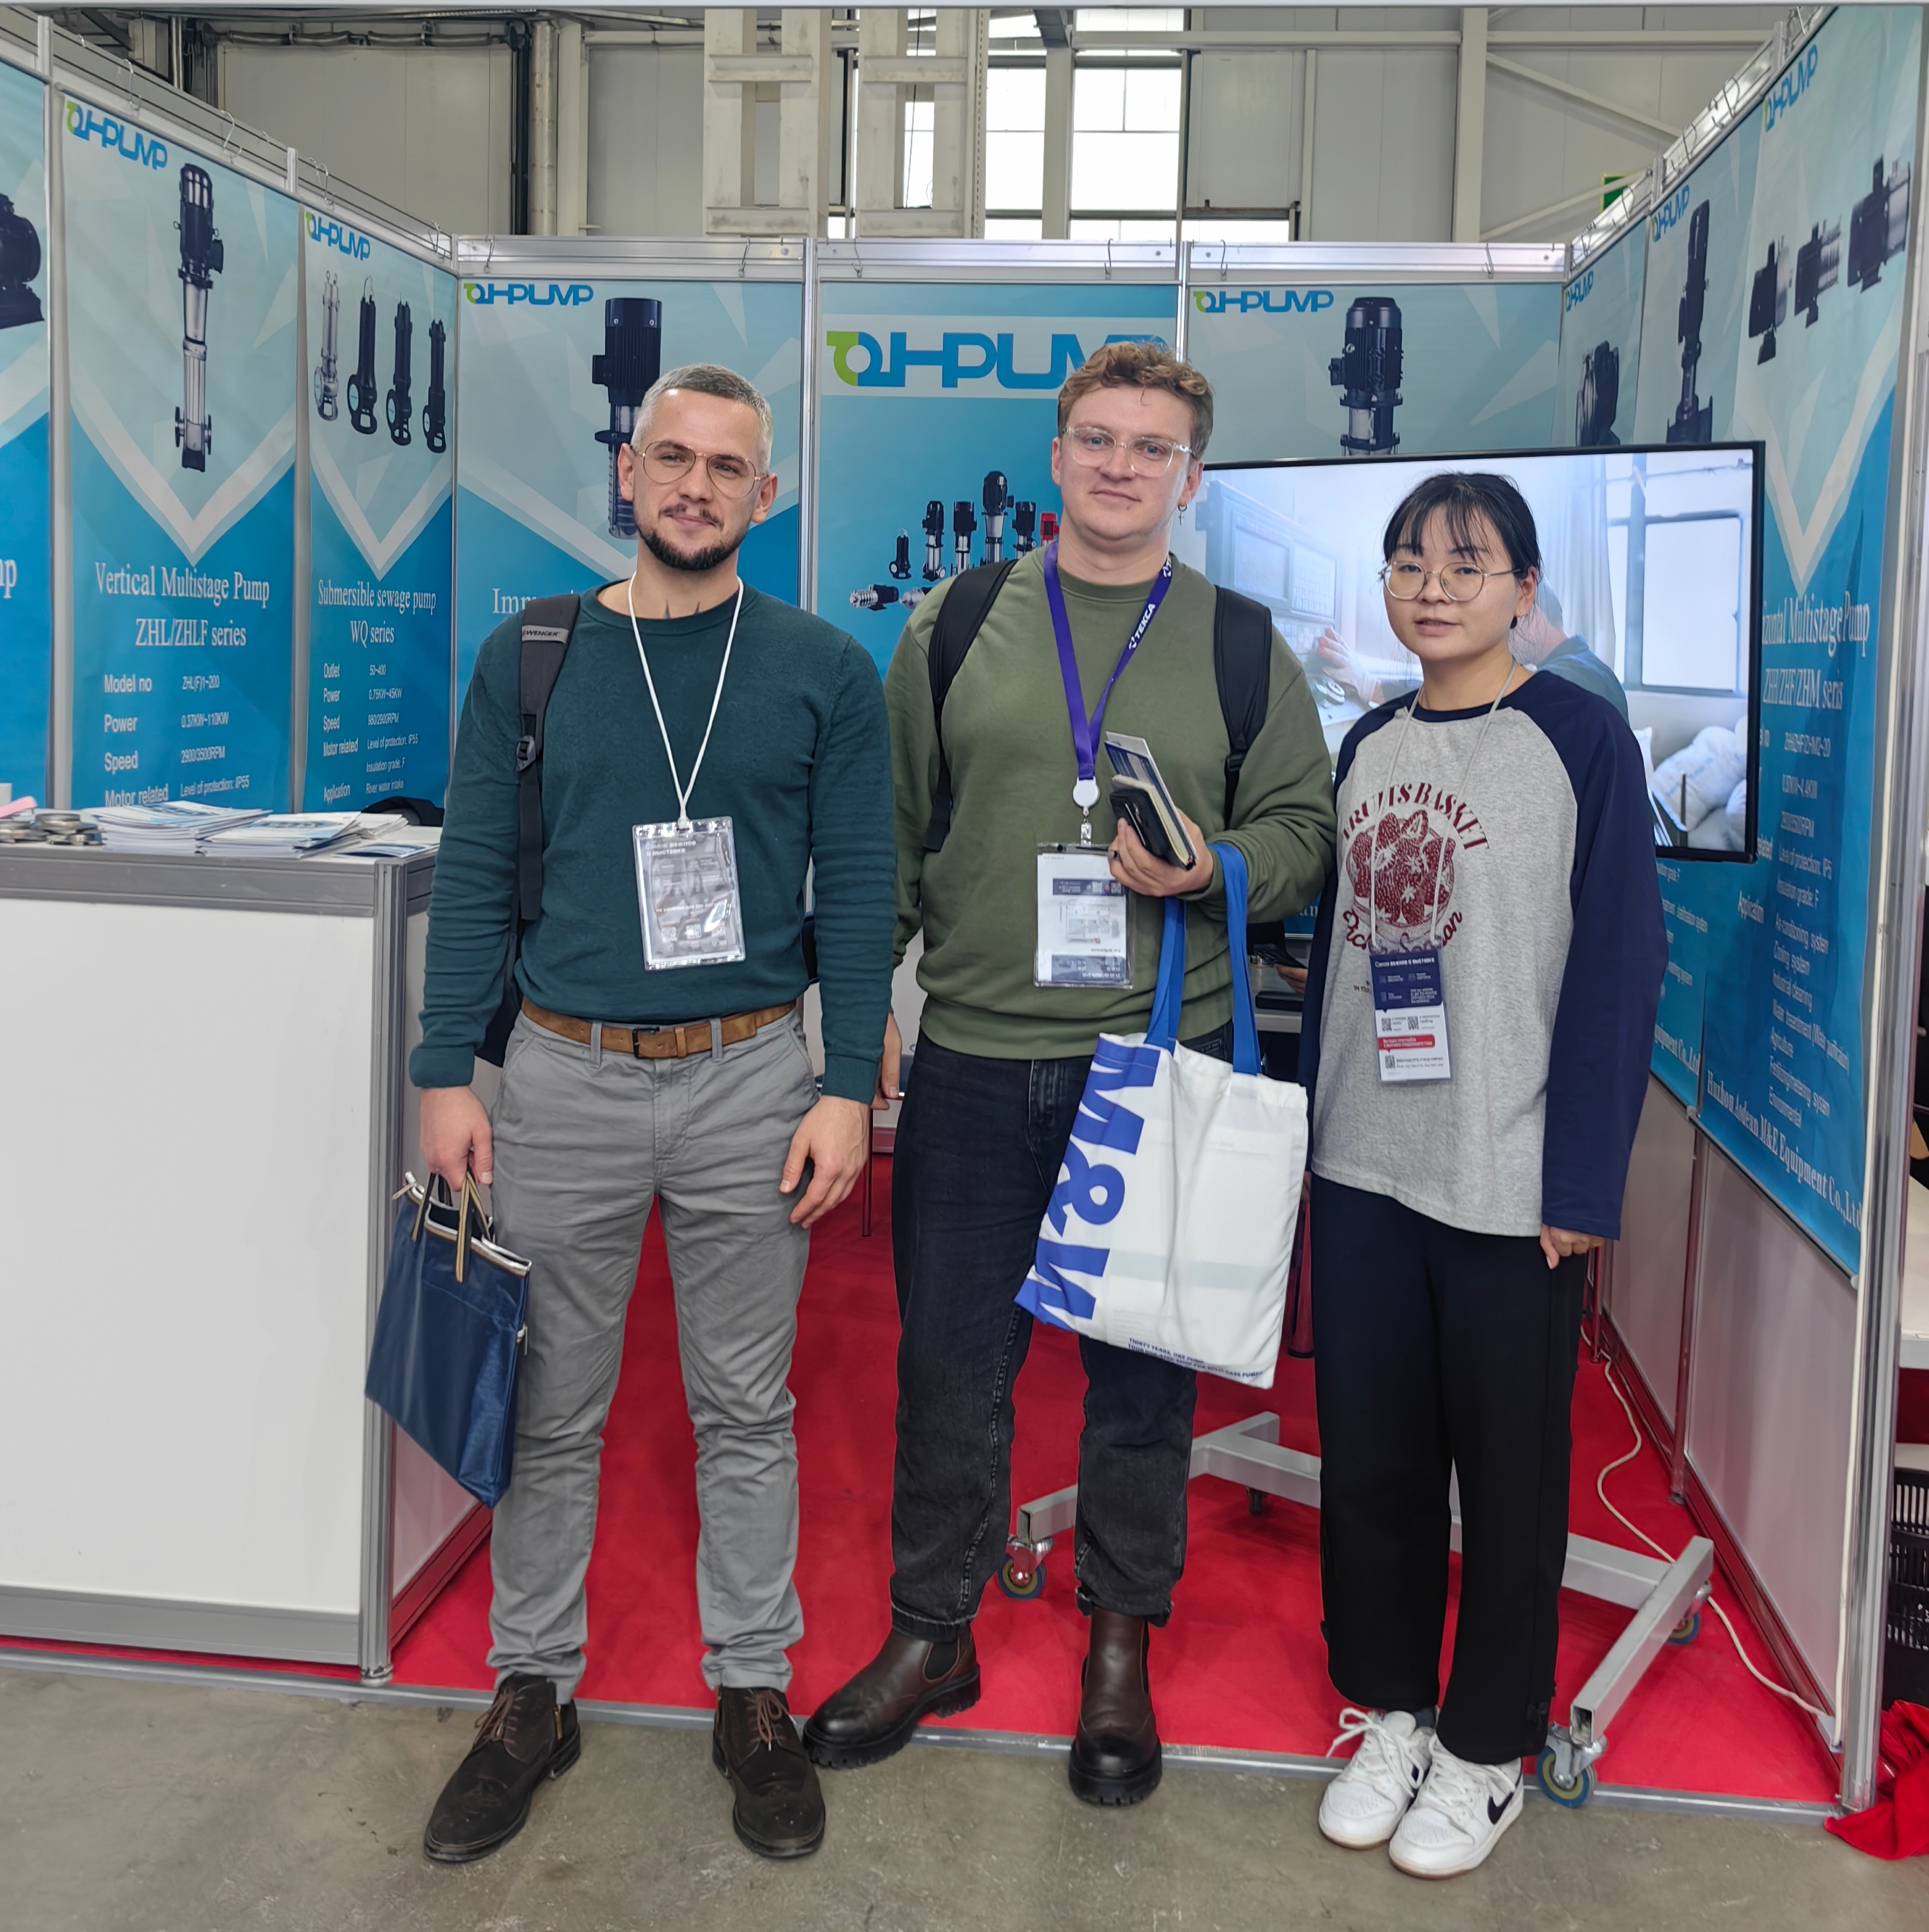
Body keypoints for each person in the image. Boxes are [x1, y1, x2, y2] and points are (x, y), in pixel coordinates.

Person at [804, 342, 1337, 1805]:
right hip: (977, 1054)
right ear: (1055, 456)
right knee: (946, 1361)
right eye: (1097, 439)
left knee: (1139, 1375)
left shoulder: (1241, 644)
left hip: (1155, 1058)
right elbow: (890, 833)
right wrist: (854, 1028)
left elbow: (1306, 832)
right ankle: (933, 1629)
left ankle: (1118, 1639)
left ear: (1189, 476)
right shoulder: (957, 619)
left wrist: (1213, 866)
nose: (1120, 466)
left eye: (1150, 446)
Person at [410, 364, 895, 1865]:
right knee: (550, 1402)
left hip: (752, 1074)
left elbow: (858, 887)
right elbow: (475, 868)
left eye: (725, 466)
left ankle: (751, 1687)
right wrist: (446, 1068)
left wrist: (845, 1084)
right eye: (671, 457)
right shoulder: (532, 658)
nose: (695, 485)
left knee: (745, 1404)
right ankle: (530, 1690)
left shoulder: (822, 669)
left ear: (765, 494)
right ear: (627, 472)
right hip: (564, 1071)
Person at [1298, 472, 1664, 1878]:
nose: (1430, 585)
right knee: (1370, 1461)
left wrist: (1579, 1185)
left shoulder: (1579, 738)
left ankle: (1487, 1743)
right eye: (1406, 561)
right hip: (1364, 1160)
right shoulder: (1368, 740)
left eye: (1465, 561)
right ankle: (1391, 1708)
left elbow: (1618, 963)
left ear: (1522, 587)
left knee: (1509, 1477)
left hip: (1506, 1175)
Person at [1315, 581, 1629, 721]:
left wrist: (1370, 685)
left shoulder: (1568, 678)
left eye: (1506, 624)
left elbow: (1471, 701)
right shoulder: (1585, 667)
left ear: (1532, 614)